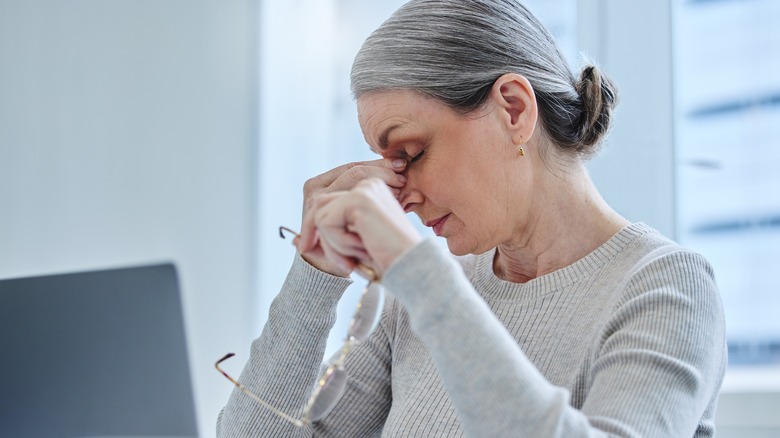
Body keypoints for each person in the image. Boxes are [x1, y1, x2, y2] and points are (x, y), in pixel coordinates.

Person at [217, 0, 727, 436]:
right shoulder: (418, 302)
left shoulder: (667, 288)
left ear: (513, 109)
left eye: (412, 155)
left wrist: (416, 271)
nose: (400, 196)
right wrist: (315, 274)